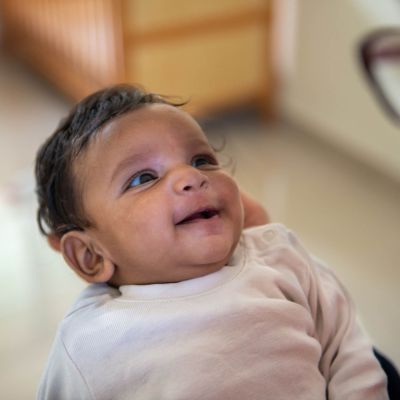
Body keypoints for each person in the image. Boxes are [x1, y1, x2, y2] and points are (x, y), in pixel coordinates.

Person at [35, 84, 388, 399]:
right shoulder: (90, 341)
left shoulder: (278, 253)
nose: (191, 176)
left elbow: (346, 345)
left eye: (201, 160)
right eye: (143, 178)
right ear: (91, 255)